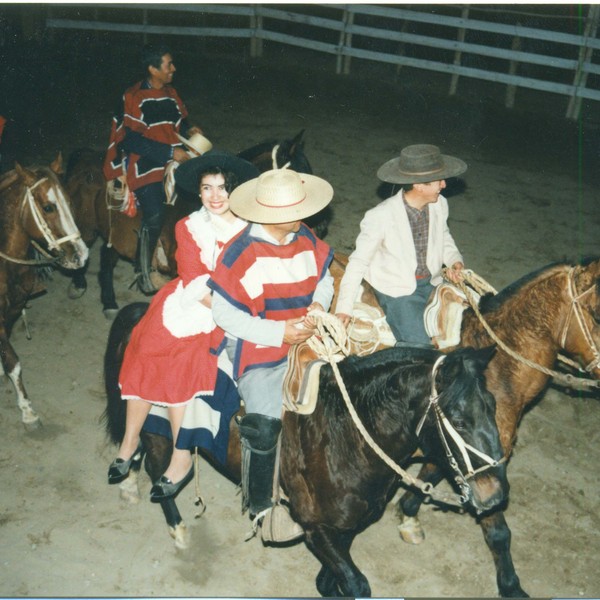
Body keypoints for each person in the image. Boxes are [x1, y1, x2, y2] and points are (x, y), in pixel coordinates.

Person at [107, 151, 259, 502]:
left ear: (234, 190)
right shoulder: (188, 226)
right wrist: (217, 306)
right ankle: (129, 441)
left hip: (237, 305)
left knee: (183, 357)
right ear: (199, 192)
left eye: (223, 188)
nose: (215, 196)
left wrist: (236, 312)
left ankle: (180, 456)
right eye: (207, 188)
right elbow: (192, 278)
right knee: (144, 343)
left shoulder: (252, 227)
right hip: (195, 297)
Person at [207, 168, 334, 522]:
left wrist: (319, 304)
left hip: (307, 337)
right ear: (276, 216)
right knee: (264, 421)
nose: (306, 216)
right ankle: (261, 503)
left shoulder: (304, 235)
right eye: (298, 211)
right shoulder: (240, 254)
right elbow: (225, 316)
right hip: (258, 347)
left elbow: (324, 278)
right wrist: (279, 333)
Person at [335, 144, 466, 347]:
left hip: (432, 282)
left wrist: (455, 261)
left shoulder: (440, 204)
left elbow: (444, 237)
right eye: (439, 181)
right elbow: (358, 262)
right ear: (419, 185)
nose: (444, 185)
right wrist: (343, 308)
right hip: (397, 290)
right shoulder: (380, 216)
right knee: (420, 346)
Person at [103, 43, 202, 295]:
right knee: (155, 210)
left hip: (173, 158)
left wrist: (190, 130)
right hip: (145, 163)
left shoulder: (171, 93)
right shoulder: (134, 96)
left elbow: (179, 121)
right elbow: (129, 139)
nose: (173, 69)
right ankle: (143, 268)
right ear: (152, 69)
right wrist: (169, 152)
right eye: (168, 65)